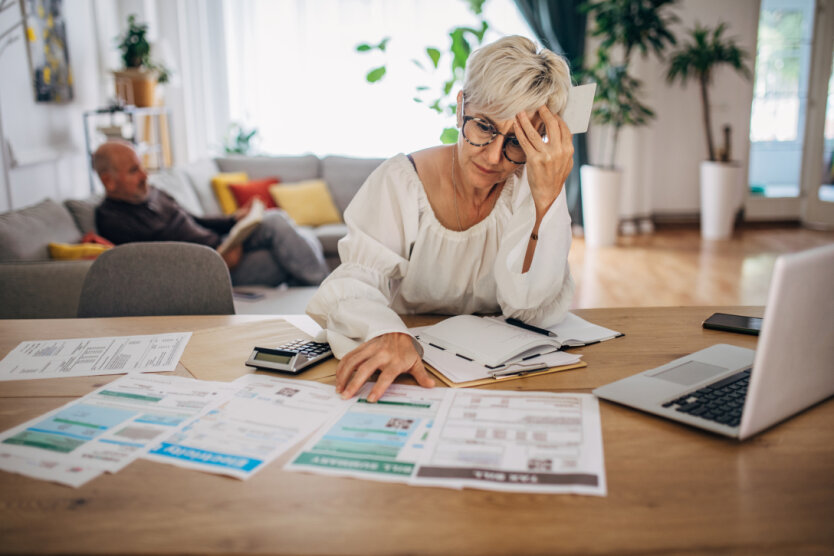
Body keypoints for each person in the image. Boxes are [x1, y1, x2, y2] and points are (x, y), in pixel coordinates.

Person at [307, 35, 576, 402]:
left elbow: (528, 307)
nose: (495, 157)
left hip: (496, 375)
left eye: (516, 142)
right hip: (406, 363)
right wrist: (385, 332)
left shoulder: (529, 186)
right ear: (460, 106)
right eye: (483, 126)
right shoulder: (401, 182)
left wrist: (546, 201)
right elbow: (355, 282)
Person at [93, 141, 329, 287]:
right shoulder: (112, 219)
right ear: (108, 181)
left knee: (275, 218)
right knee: (283, 258)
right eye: (134, 171)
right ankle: (327, 292)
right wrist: (216, 259)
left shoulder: (153, 193)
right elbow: (157, 264)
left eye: (142, 167)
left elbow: (195, 220)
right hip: (211, 267)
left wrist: (234, 219)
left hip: (224, 246)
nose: (145, 176)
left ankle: (323, 288)